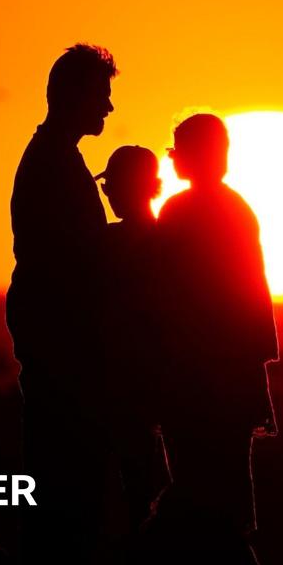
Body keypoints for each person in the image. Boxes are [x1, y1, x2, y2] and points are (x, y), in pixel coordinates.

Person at [6, 43, 117, 565]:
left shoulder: (56, 158)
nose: (109, 108)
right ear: (74, 96)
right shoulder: (54, 162)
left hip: (60, 338)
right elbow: (69, 256)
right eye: (103, 94)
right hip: (63, 345)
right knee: (65, 487)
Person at [150, 114, 278, 565]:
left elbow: (166, 292)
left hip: (197, 371)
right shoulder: (235, 208)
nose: (174, 156)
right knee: (223, 482)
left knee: (196, 483)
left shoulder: (182, 212)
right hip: (228, 367)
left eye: (178, 147)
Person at [95, 145, 170, 539]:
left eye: (112, 185)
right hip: (149, 380)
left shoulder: (106, 244)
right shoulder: (169, 239)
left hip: (123, 381)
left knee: (133, 489)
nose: (108, 193)